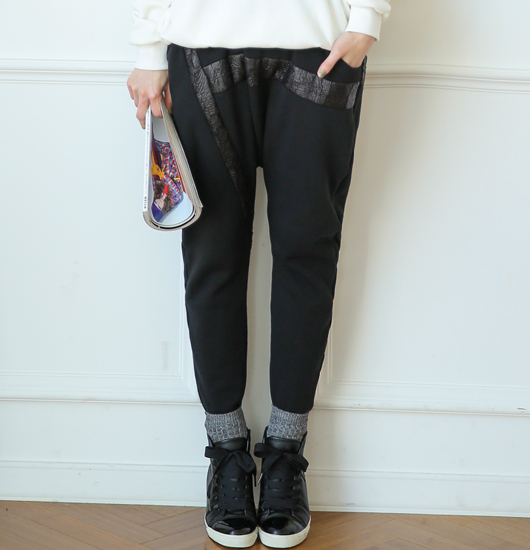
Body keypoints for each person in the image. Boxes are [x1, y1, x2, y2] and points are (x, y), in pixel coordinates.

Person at [127, 1, 391, 548]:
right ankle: (226, 454)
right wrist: (150, 46)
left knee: (307, 252)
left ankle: (286, 457)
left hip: (321, 46)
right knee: (213, 255)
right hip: (201, 44)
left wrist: (368, 16)